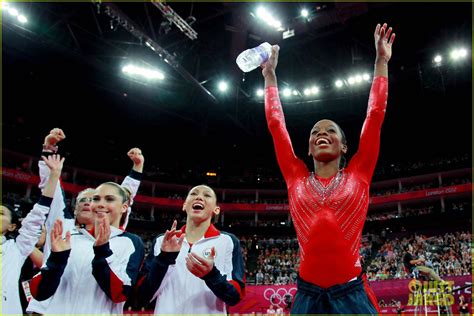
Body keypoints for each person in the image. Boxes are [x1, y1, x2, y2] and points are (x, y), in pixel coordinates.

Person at [261, 23, 396, 314]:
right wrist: (269, 75)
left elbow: (375, 115)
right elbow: (276, 125)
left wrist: (381, 62)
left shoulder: (359, 173)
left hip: (351, 294)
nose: (321, 133)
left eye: (331, 130)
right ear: (308, 148)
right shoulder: (295, 177)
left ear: (344, 146)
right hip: (307, 296)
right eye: (314, 132)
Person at [27, 128, 144, 314]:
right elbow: (50, 188)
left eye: (97, 199)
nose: (92, 204)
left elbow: (123, 197)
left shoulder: (126, 241)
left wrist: (137, 169)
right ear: (74, 207)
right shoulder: (64, 230)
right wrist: (48, 151)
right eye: (87, 200)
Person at [29, 181, 145, 313]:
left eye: (109, 199)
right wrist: (56, 259)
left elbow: (119, 294)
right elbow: (39, 293)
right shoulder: (70, 239)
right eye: (96, 199)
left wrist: (102, 250)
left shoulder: (131, 243)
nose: (100, 204)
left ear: (124, 207)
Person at [138, 185, 245, 314]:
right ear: (184, 205)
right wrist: (164, 259)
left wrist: (211, 275)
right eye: (194, 194)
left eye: (207, 195)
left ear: (216, 210)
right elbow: (142, 297)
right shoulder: (163, 241)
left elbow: (235, 297)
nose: (199, 197)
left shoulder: (228, 241)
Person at [2, 154, 64, 314]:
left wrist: (54, 175)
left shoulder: (17, 247)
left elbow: (40, 210)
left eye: (1, 213)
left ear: (12, 226)